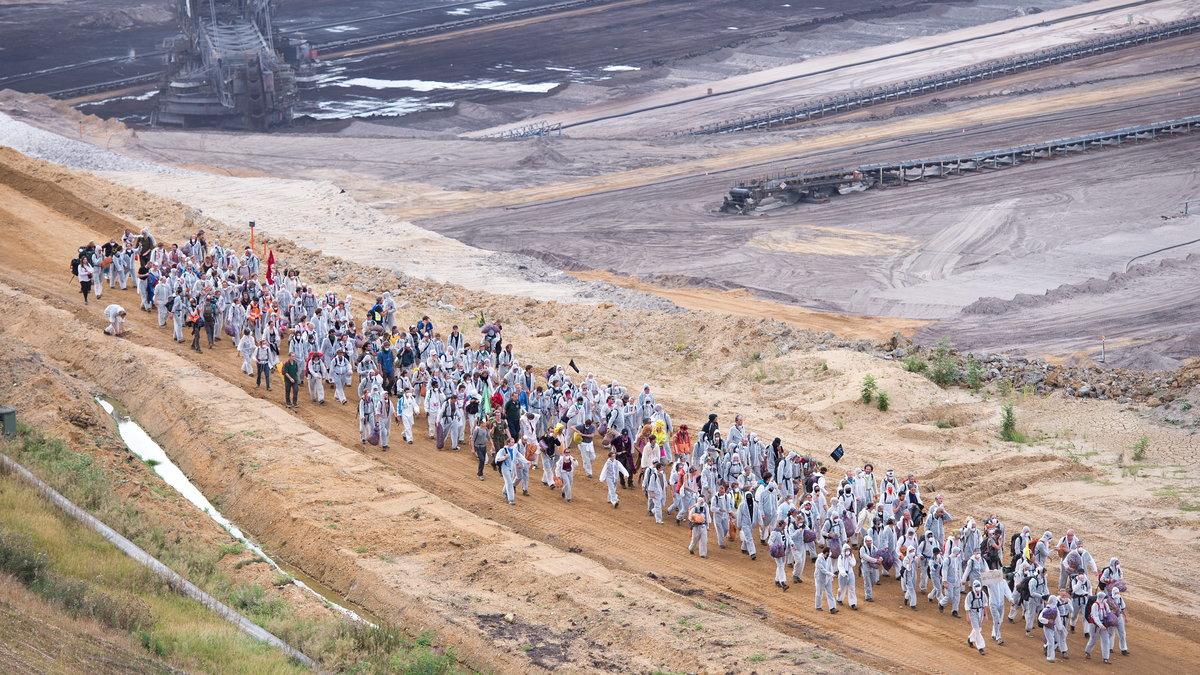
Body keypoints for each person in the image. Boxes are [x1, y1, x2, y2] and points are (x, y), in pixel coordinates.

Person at [1084, 590, 1113, 663]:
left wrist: (1111, 620)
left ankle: (1106, 658)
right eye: (1104, 598)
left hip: (1104, 625)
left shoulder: (1105, 605)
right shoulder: (1095, 605)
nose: (1106, 599)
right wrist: (1100, 625)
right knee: (1093, 639)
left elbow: (1108, 613)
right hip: (1094, 625)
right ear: (1101, 598)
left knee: (1106, 641)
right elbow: (1095, 617)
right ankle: (1087, 651)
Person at [966, 580, 987, 655]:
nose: (978, 591)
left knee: (979, 628)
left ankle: (970, 639)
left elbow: (985, 604)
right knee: (977, 629)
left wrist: (985, 614)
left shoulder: (983, 594)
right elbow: (967, 606)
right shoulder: (970, 595)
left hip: (980, 612)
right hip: (973, 612)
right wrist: (968, 616)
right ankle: (980, 647)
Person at [813, 546, 836, 612]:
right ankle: (818, 606)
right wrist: (831, 574)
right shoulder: (819, 559)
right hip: (820, 579)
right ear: (826, 552)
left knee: (830, 593)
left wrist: (831, 577)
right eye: (829, 552)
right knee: (819, 593)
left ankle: (832, 608)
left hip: (828, 578)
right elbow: (822, 570)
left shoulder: (829, 558)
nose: (830, 553)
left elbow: (830, 567)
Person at [643, 459, 665, 524]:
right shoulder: (653, 475)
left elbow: (664, 483)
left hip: (661, 492)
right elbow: (650, 484)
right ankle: (658, 519)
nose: (663, 468)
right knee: (658, 506)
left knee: (661, 504)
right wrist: (651, 493)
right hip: (655, 493)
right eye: (662, 467)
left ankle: (652, 510)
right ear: (659, 468)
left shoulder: (662, 474)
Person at [768, 521, 789, 590]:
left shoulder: (784, 531)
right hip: (777, 552)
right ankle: (782, 582)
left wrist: (791, 544)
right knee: (780, 566)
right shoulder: (774, 532)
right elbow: (770, 541)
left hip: (784, 551)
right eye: (784, 525)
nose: (785, 526)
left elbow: (788, 538)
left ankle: (777, 580)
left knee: (781, 566)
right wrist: (775, 546)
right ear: (781, 525)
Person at [837, 543, 858, 610]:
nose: (847, 551)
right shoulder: (840, 557)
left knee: (852, 588)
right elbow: (840, 566)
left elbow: (853, 564)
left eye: (848, 549)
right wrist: (844, 573)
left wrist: (849, 558)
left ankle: (853, 603)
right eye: (846, 550)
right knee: (842, 588)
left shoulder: (851, 556)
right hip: (843, 575)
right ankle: (839, 599)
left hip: (850, 574)